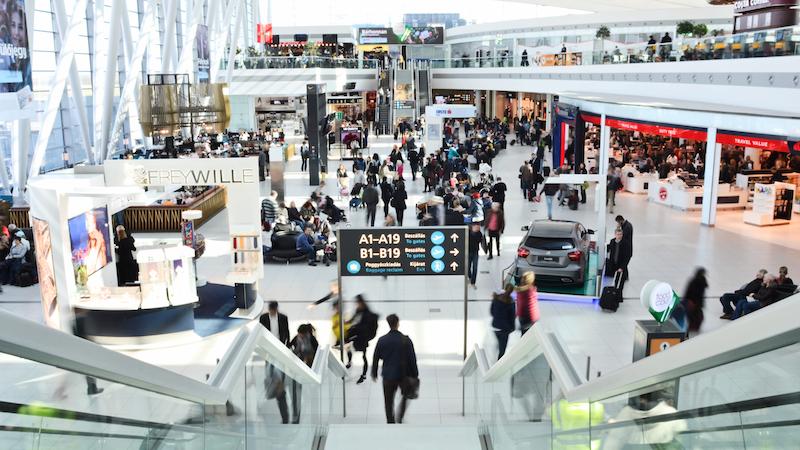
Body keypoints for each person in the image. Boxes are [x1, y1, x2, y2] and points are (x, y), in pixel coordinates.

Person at [371, 314, 419, 424]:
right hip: (403, 375)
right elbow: (412, 358)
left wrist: (374, 373)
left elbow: (376, 357)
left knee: (388, 401)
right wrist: (415, 374)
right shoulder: (406, 340)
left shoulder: (382, 340)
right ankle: (400, 416)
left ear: (388, 324)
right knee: (406, 395)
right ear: (398, 323)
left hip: (388, 375)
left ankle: (390, 420)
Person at [346, 295, 379, 384]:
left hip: (364, 336)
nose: (357, 305)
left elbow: (366, 328)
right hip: (359, 334)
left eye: (358, 303)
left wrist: (355, 327)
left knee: (363, 355)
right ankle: (349, 362)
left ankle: (363, 375)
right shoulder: (359, 310)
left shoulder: (368, 314)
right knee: (349, 345)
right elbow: (353, 318)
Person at [491, 284, 516, 359]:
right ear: (512, 291)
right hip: (505, 329)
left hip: (495, 326)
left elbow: (492, 312)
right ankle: (499, 365)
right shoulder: (511, 302)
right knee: (502, 350)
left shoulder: (496, 298)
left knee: (500, 343)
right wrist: (512, 328)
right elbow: (512, 317)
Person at [605, 228, 632, 293]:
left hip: (621, 266)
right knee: (612, 282)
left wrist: (622, 267)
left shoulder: (626, 243)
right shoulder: (612, 241)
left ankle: (618, 296)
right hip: (613, 265)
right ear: (615, 235)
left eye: (620, 234)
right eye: (618, 234)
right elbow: (610, 249)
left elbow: (627, 257)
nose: (619, 236)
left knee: (620, 284)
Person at [682, 268, 708, 333]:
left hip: (692, 301)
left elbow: (688, 292)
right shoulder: (701, 281)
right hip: (695, 302)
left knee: (693, 315)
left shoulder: (694, 281)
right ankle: (694, 327)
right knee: (696, 315)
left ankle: (692, 326)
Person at [468, 223, 483, 288]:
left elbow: (481, 241)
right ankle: (470, 277)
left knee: (475, 267)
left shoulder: (479, 234)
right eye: (477, 226)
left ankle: (473, 282)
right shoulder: (467, 233)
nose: (478, 228)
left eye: (479, 227)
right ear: (472, 226)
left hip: (475, 252)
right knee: (467, 267)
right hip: (468, 252)